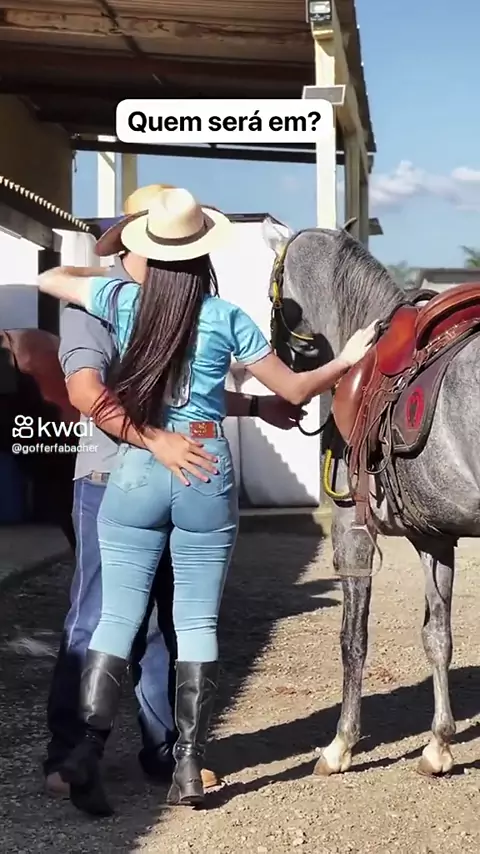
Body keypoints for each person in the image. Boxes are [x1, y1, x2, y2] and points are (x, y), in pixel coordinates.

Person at [37, 188, 377, 818]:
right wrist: (348, 360)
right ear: (202, 254)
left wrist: (110, 267)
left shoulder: (117, 300)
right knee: (193, 622)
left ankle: (84, 752)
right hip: (204, 466)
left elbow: (51, 278)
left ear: (144, 247)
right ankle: (188, 765)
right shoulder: (225, 316)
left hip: (137, 466)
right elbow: (296, 388)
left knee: (114, 618)